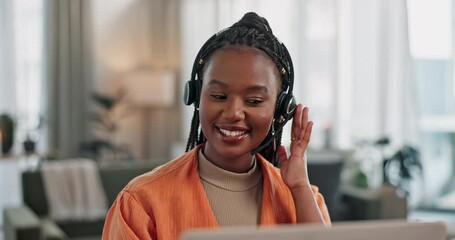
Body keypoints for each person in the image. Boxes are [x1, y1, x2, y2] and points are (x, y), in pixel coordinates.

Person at [102, 12, 331, 240]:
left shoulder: (304, 201)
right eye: (219, 96)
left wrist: (300, 187)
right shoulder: (140, 202)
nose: (233, 113)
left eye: (254, 101)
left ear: (280, 109)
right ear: (196, 97)